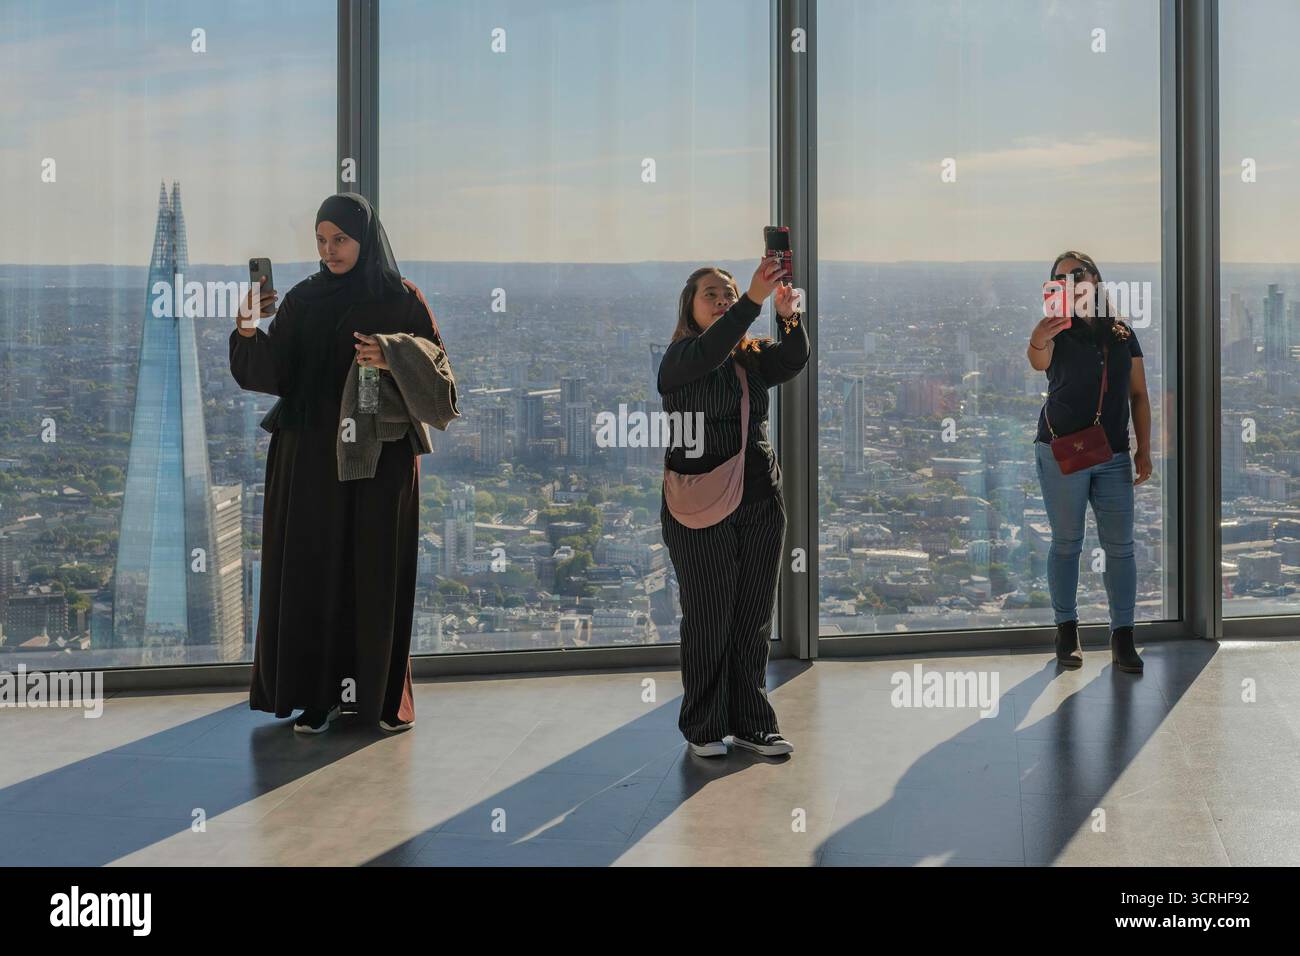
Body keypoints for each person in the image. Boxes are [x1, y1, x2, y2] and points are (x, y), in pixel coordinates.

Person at [230, 192, 458, 733]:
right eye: (321, 240)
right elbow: (275, 374)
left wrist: (393, 354)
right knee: (313, 572)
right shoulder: (305, 299)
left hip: (382, 456)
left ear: (365, 239)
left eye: (340, 240)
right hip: (309, 456)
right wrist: (244, 330)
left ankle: (378, 698)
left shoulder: (403, 299)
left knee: (376, 571)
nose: (329, 251)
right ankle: (318, 696)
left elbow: (444, 382)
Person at [658, 257, 810, 757]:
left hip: (760, 499)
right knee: (707, 615)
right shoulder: (681, 359)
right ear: (690, 307)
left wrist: (788, 316)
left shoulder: (749, 357)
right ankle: (703, 724)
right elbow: (710, 351)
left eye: (728, 293)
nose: (722, 299)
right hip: (700, 506)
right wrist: (750, 301)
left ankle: (752, 721)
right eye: (712, 294)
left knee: (752, 616)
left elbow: (792, 361)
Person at [1027, 251, 1152, 672]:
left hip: (1113, 453)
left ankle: (1123, 636)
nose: (1067, 282)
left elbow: (1138, 394)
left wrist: (1144, 449)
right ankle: (1066, 629)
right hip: (1062, 451)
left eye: (1075, 275)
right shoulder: (1056, 331)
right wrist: (1040, 336)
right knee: (1067, 543)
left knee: (1121, 548)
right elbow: (1038, 361)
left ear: (1095, 279)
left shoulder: (1121, 333)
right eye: (1057, 278)